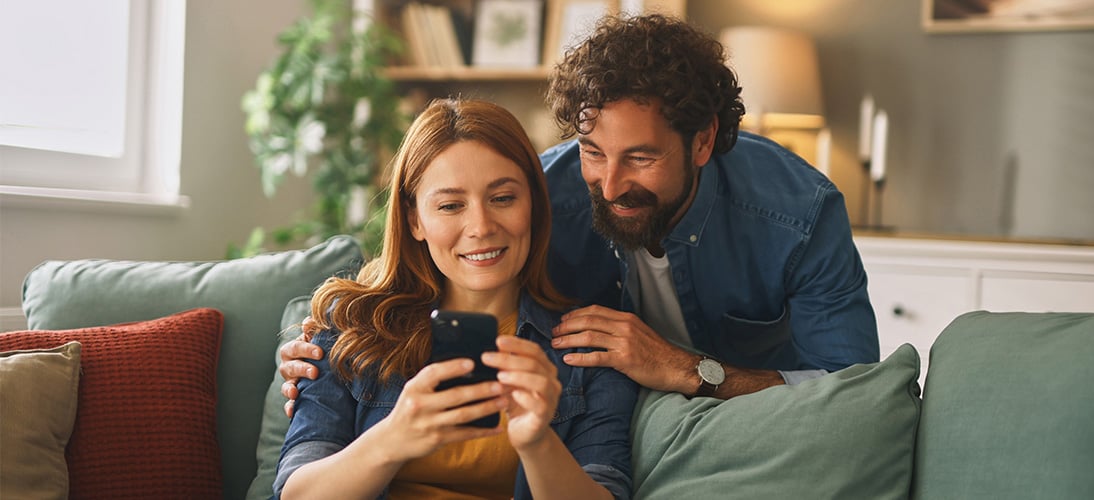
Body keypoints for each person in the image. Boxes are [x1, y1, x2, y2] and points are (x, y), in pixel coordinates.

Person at [280, 13, 877, 408]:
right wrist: (328, 342)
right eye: (594, 151)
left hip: (745, 422)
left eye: (639, 158)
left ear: (701, 142)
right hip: (595, 424)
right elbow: (439, 263)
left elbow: (854, 391)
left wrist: (686, 369)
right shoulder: (544, 190)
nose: (610, 183)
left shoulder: (798, 214)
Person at [273, 98, 637, 500]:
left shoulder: (587, 351)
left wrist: (537, 442)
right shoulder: (350, 328)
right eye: (450, 206)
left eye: (503, 198)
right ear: (415, 220)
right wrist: (395, 436)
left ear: (533, 204)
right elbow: (296, 493)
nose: (480, 226)